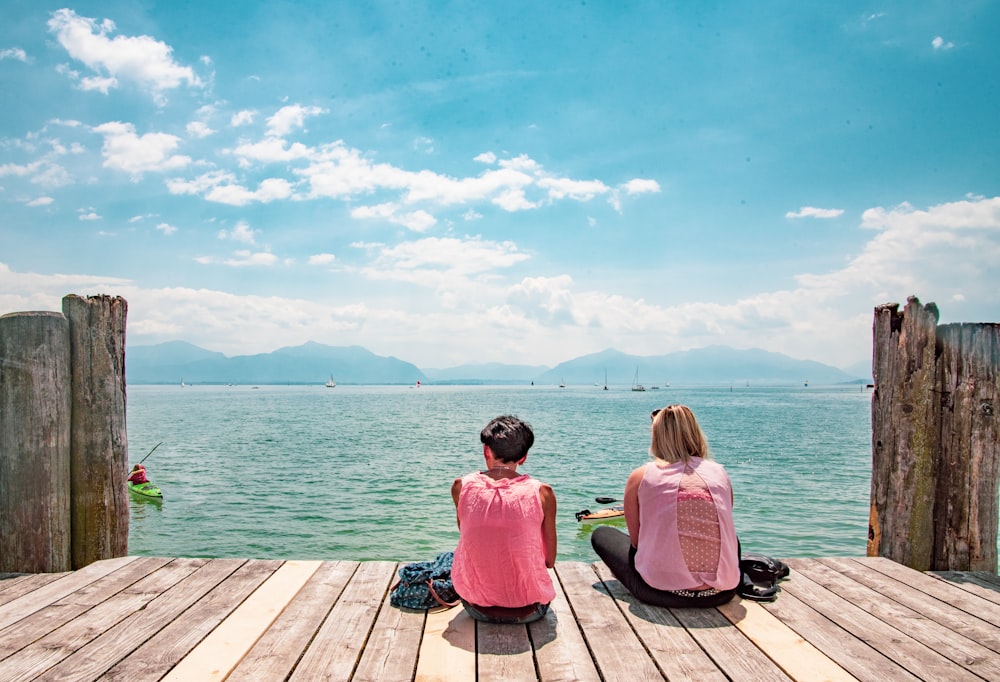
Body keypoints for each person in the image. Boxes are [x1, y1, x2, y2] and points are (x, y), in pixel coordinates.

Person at [591, 404, 740, 607]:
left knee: (601, 535)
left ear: (657, 437)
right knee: (729, 537)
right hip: (721, 592)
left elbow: (636, 543)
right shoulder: (719, 472)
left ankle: (671, 574)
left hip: (660, 592)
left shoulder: (641, 476)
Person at [450, 415, 557, 624]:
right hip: (530, 609)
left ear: (486, 450)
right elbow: (549, 560)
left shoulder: (461, 486)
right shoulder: (543, 492)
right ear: (524, 457)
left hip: (477, 607)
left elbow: (468, 536)